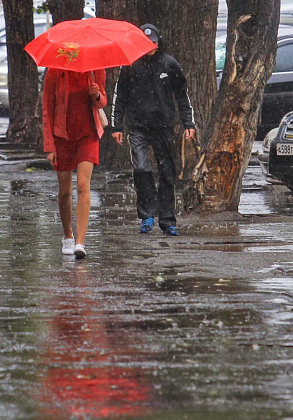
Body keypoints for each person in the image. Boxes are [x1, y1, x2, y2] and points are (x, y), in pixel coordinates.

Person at [109, 23, 196, 237]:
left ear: (159, 42)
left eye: (154, 42)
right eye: (146, 42)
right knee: (141, 169)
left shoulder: (169, 64)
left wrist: (188, 123)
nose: (150, 46)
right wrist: (117, 126)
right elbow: (120, 97)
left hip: (164, 127)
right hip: (138, 127)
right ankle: (147, 215)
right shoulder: (130, 65)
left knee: (167, 173)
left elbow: (182, 95)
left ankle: (167, 220)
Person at [42, 67, 106, 259]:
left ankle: (80, 242)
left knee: (83, 185)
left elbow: (103, 101)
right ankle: (68, 235)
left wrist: (97, 95)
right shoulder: (55, 71)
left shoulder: (96, 69)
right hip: (62, 136)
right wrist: (50, 145)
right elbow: (47, 108)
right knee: (65, 191)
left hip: (88, 135)